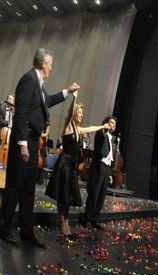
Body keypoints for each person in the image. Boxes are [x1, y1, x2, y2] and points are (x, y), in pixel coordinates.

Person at [0, 48, 79, 248]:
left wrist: (68, 91)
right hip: (23, 142)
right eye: (50, 64)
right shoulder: (29, 80)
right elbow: (21, 113)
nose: (52, 67)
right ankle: (4, 228)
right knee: (15, 186)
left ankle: (26, 231)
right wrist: (23, 144)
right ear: (43, 64)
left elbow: (48, 101)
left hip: (34, 143)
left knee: (28, 189)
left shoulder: (39, 85)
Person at [45, 94, 111, 239]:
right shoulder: (69, 126)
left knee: (68, 197)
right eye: (79, 112)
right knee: (63, 196)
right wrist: (74, 97)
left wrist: (103, 126)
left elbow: (91, 128)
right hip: (64, 165)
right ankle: (63, 224)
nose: (82, 114)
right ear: (74, 113)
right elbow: (69, 111)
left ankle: (66, 224)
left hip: (72, 166)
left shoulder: (78, 129)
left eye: (82, 113)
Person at [81, 115, 117, 229]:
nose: (113, 125)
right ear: (106, 123)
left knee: (101, 195)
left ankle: (94, 219)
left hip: (106, 169)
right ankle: (86, 218)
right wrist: (104, 127)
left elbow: (110, 157)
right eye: (111, 122)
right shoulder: (101, 134)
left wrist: (110, 173)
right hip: (98, 166)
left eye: (114, 124)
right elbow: (102, 139)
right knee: (94, 194)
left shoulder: (112, 138)